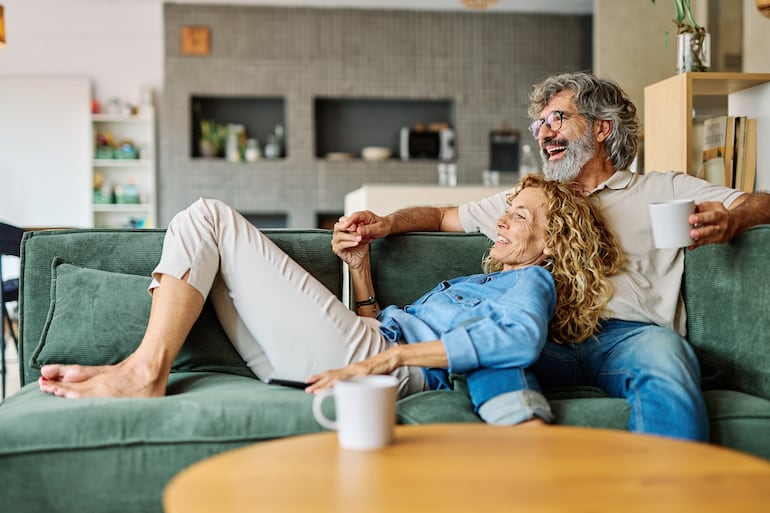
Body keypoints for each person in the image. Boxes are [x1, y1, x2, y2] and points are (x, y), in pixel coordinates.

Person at [333, 71, 770, 440]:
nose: (543, 133)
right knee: (490, 350)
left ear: (601, 127)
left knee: (669, 358)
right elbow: (444, 215)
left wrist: (734, 221)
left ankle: (671, 493)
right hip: (546, 336)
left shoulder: (662, 188)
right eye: (538, 124)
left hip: (630, 336)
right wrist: (388, 224)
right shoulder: (530, 201)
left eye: (556, 118)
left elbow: (760, 200)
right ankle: (530, 454)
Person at [38, 175, 622, 426]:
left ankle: (145, 370)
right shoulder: (488, 279)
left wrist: (391, 358)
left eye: (519, 214)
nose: (501, 219)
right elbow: (373, 327)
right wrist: (360, 269)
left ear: (552, 243)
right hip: (348, 355)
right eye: (506, 208)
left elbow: (517, 340)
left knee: (208, 217)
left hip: (382, 369)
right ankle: (138, 366)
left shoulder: (532, 282)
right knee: (204, 234)